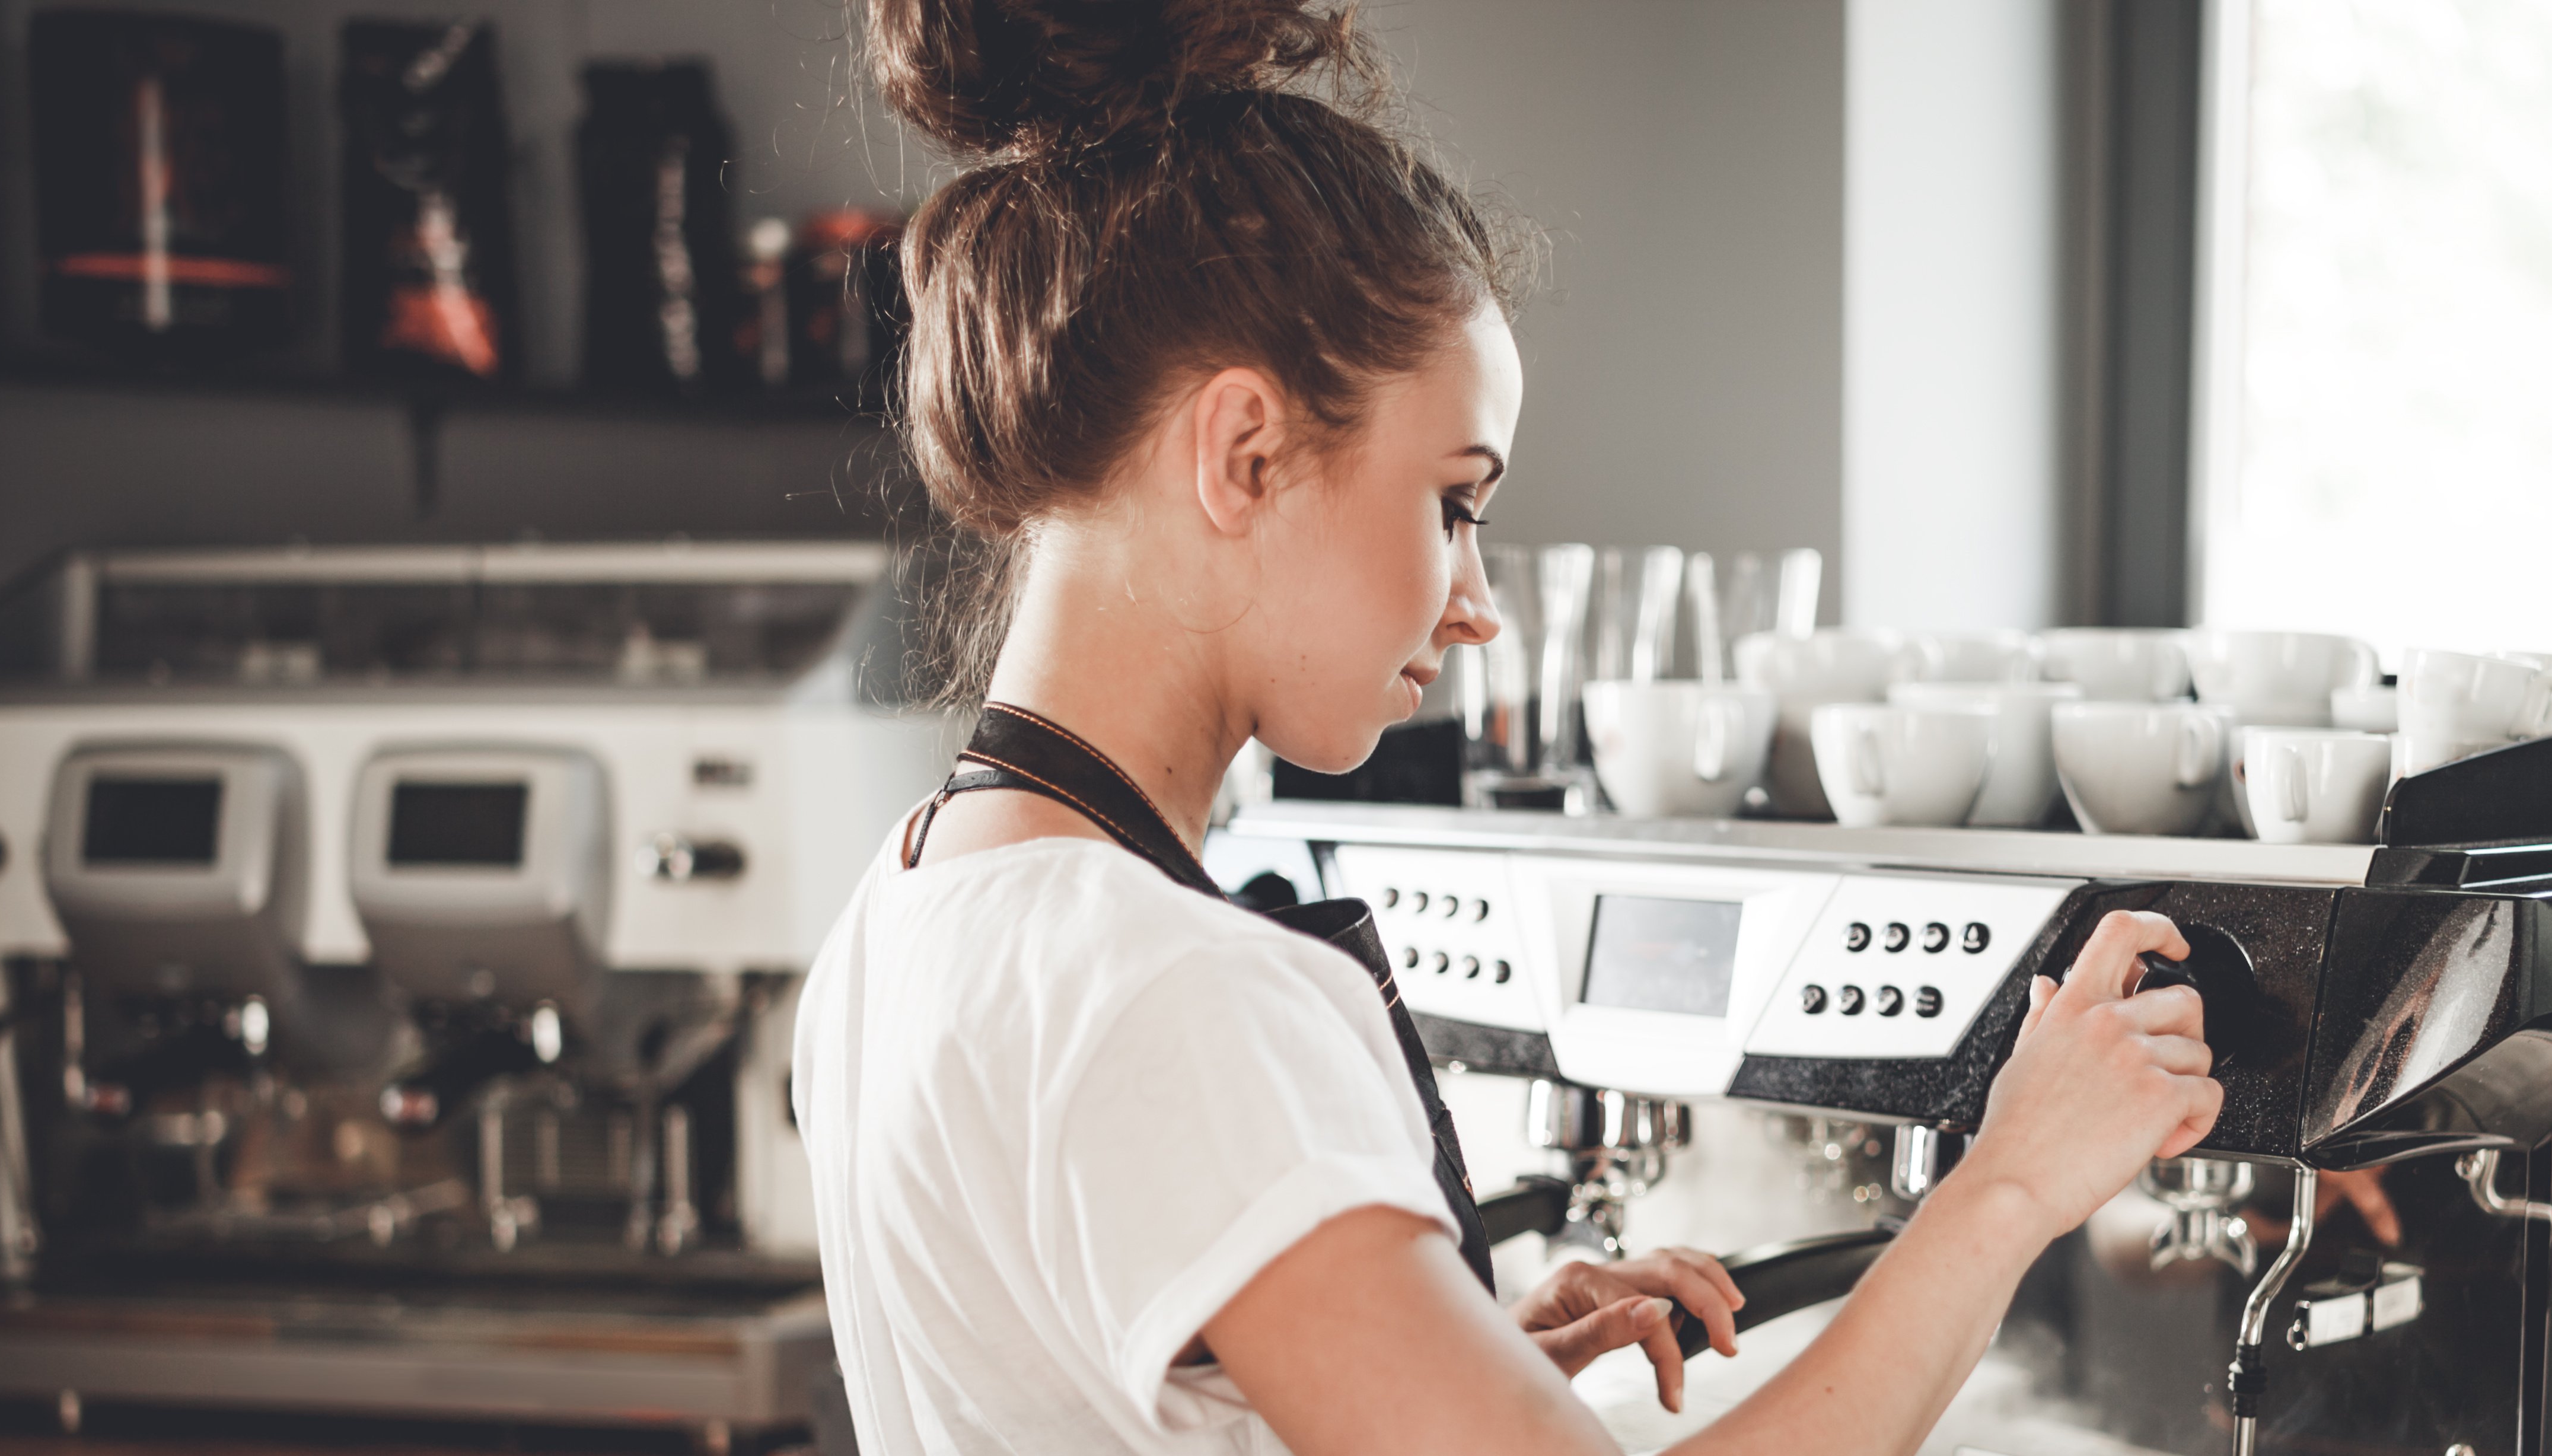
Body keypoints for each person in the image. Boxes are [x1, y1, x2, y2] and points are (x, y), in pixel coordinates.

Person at [791, 3, 2228, 1452]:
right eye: (1454, 503)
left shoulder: (908, 904)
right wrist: (2009, 1189)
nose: (1475, 604)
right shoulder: (1174, 989)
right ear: (1244, 453)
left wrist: (1448, 1349)